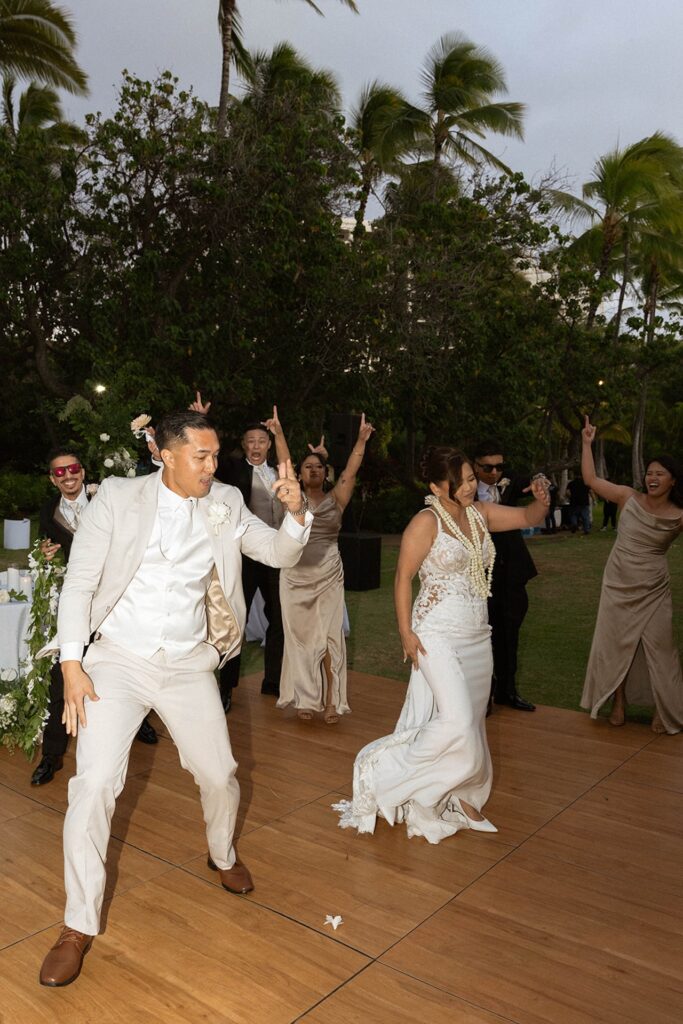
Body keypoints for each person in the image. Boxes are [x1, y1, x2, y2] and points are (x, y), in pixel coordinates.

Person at [39, 410, 312, 988]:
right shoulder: (115, 497)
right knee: (92, 787)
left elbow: (280, 554)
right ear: (165, 453)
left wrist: (294, 513)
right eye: (203, 457)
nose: (214, 467)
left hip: (189, 663)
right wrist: (71, 664)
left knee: (219, 774)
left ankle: (221, 853)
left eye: (217, 456)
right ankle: (76, 924)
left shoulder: (226, 501)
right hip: (116, 658)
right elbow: (80, 582)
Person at [334, 447, 549, 843]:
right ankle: (385, 772)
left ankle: (462, 796)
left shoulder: (480, 514)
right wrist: (406, 633)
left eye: (471, 478)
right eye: (462, 481)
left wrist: (541, 499)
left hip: (477, 635)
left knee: (474, 726)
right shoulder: (425, 522)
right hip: (435, 633)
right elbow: (403, 578)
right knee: (457, 722)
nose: (470, 486)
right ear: (436, 486)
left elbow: (527, 518)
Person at [31, 449, 157, 789]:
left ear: (83, 471)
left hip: (117, 601)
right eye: (60, 472)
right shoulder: (48, 512)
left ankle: (141, 720)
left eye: (73, 468)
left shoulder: (108, 497)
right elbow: (47, 550)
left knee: (132, 663)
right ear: (52, 478)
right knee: (64, 674)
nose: (67, 476)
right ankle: (52, 755)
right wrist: (44, 554)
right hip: (78, 606)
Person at [579, 416, 682, 733]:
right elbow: (591, 479)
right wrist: (586, 443)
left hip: (654, 589)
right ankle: (617, 702)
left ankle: (665, 709)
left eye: (659, 474)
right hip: (618, 585)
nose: (652, 478)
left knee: (662, 650)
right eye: (650, 473)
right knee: (615, 645)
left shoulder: (679, 515)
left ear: (673, 481)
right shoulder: (627, 497)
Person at [273, 411, 375, 723]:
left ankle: (333, 701)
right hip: (295, 575)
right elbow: (285, 466)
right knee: (300, 639)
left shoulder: (338, 498)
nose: (314, 470)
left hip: (329, 571)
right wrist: (278, 434)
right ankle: (306, 698)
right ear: (300, 474)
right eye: (308, 467)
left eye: (319, 466)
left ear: (325, 472)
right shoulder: (293, 498)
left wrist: (360, 441)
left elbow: (351, 473)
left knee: (332, 638)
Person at [190, 394, 286, 711]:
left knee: (280, 619)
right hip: (243, 557)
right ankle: (226, 687)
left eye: (262, 441)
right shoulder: (232, 470)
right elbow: (207, 453)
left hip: (274, 555)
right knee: (234, 618)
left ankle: (272, 680)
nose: (256, 446)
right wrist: (203, 420)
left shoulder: (278, 471)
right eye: (251, 441)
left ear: (269, 445)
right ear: (243, 445)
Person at [473, 441, 538, 712]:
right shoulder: (463, 491)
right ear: (475, 466)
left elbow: (535, 481)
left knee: (510, 634)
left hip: (512, 573)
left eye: (499, 466)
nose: (494, 472)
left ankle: (507, 692)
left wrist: (541, 481)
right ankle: (483, 695)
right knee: (481, 636)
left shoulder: (511, 483)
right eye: (487, 467)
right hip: (479, 576)